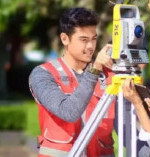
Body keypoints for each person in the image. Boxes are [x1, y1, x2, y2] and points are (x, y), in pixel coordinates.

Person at [29, 7, 116, 157]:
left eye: (94, 39)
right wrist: (94, 70)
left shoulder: (108, 76)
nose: (90, 46)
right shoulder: (43, 74)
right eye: (83, 40)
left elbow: (127, 124)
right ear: (64, 39)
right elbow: (68, 112)